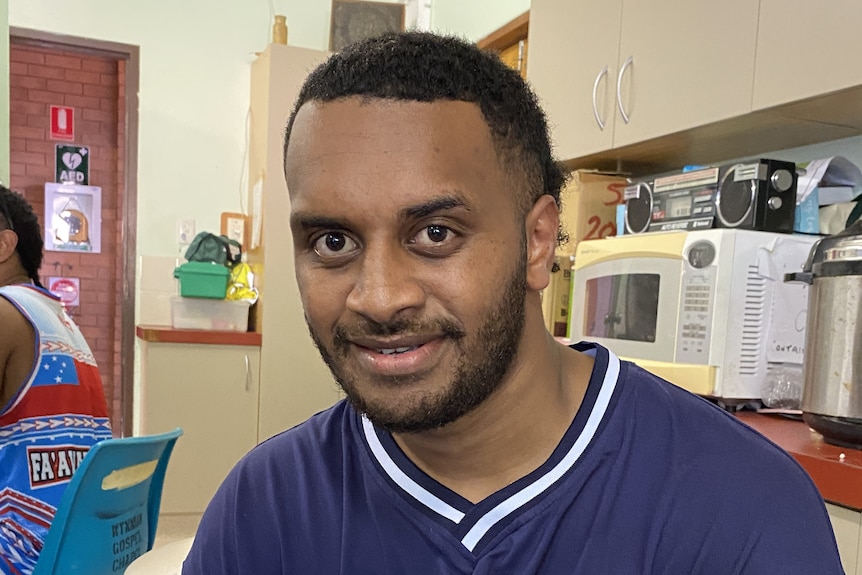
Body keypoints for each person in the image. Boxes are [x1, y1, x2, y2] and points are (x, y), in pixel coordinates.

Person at [183, 32, 843, 574]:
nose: (379, 297)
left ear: (538, 240)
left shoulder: (743, 511)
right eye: (332, 240)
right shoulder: (262, 512)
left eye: (435, 234)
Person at [0, 185, 112, 574]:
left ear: (4, 245)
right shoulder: (58, 318)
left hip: (22, 552)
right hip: (81, 546)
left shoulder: (4, 311)